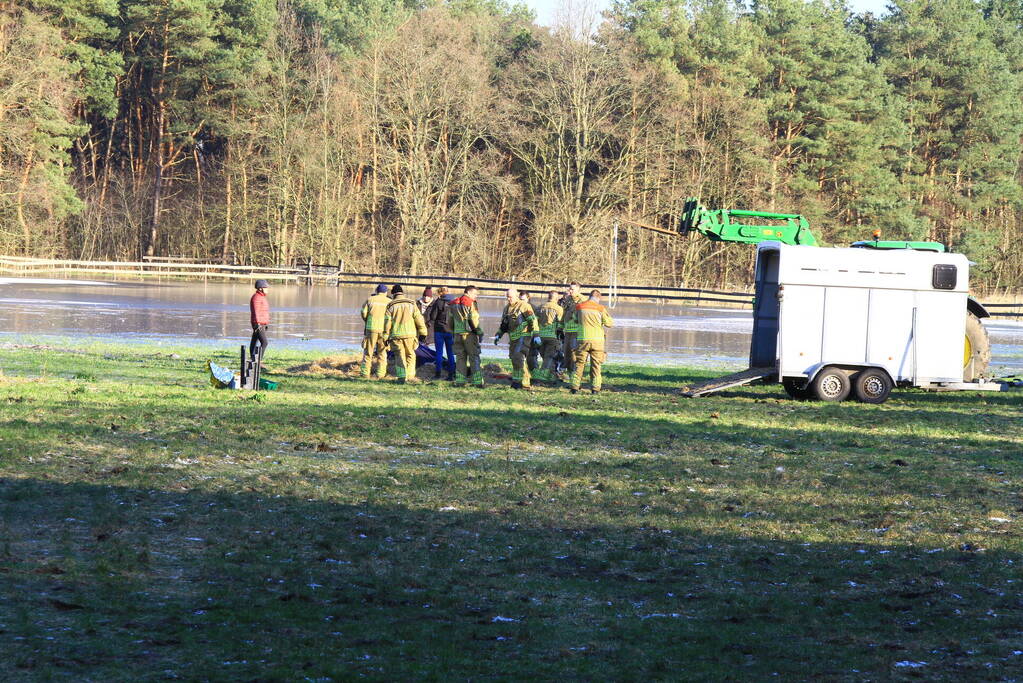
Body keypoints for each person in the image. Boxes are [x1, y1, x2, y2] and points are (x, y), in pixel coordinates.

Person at [495, 287, 540, 390]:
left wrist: (536, 334)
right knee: (514, 359)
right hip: (513, 337)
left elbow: (533, 320)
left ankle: (523, 383)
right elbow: (504, 324)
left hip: (524, 336)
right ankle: (517, 381)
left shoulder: (524, 306)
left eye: (510, 297)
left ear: (516, 296)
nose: (508, 299)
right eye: (507, 297)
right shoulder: (506, 308)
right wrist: (499, 334)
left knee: (518, 357)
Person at [571, 289, 614, 394]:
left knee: (579, 364)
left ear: (589, 296)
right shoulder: (600, 308)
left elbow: (574, 319)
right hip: (597, 341)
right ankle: (595, 389)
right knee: (596, 365)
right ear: (598, 298)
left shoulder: (579, 306)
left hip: (582, 340)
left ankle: (574, 388)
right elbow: (609, 323)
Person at [382, 284, 427, 384]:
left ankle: (402, 377)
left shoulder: (391, 305)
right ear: (402, 292)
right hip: (410, 335)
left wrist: (385, 336)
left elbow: (387, 323)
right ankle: (410, 377)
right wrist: (423, 332)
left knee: (399, 356)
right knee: (411, 355)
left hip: (396, 335)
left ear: (393, 293)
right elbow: (419, 318)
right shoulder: (411, 303)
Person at [449, 285, 484, 387]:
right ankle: (477, 382)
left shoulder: (454, 303)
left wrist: (453, 331)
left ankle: (460, 381)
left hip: (457, 334)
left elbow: (449, 321)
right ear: (468, 292)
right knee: (474, 357)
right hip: (469, 335)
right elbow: (473, 320)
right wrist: (479, 332)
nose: (476, 296)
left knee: (460, 358)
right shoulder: (470, 303)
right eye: (475, 294)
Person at [359, 284, 391, 379]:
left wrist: (367, 320)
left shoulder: (370, 299)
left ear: (377, 291)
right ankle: (380, 374)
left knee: (368, 352)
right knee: (382, 353)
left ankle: (365, 373)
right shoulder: (390, 301)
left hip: (371, 329)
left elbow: (363, 312)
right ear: (386, 292)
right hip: (383, 331)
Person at [426, 286, 456, 380]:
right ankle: (451, 375)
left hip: (439, 330)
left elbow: (433, 317)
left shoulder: (438, 302)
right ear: (448, 292)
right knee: (450, 353)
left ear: (440, 293)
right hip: (450, 331)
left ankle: (438, 374)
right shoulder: (455, 302)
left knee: (439, 353)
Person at [535, 289, 564, 382]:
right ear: (556, 298)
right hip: (552, 337)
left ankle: (551, 377)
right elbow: (560, 324)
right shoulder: (559, 309)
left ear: (548, 297)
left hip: (540, 337)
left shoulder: (539, 307)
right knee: (549, 357)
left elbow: (534, 322)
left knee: (545, 357)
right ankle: (542, 376)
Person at [560, 282, 583, 376]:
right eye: (570, 289)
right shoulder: (568, 299)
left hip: (577, 331)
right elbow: (563, 313)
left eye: (572, 289)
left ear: (578, 290)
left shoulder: (582, 300)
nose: (570, 291)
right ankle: (569, 373)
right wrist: (560, 328)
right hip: (567, 330)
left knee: (574, 353)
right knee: (566, 352)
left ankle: (575, 373)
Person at [249, 279, 271, 361]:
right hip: (258, 323)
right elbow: (256, 311)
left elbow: (263, 311)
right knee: (264, 342)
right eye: (266, 287)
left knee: (254, 341)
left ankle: (253, 359)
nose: (267, 289)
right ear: (260, 288)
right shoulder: (257, 297)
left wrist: (265, 323)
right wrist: (258, 324)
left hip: (261, 323)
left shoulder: (261, 297)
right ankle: (258, 361)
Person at [519, 291, 540, 374]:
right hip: (521, 336)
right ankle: (523, 373)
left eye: (523, 299)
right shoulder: (518, 307)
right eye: (520, 299)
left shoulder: (533, 308)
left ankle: (535, 373)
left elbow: (536, 322)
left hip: (531, 336)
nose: (521, 301)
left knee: (532, 356)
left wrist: (536, 335)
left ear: (528, 298)